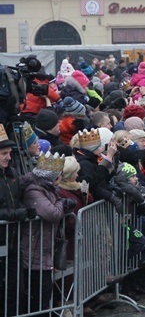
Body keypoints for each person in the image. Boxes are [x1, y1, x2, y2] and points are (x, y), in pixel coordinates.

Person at [21, 151, 76, 317]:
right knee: (38, 298)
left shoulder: (47, 189)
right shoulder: (34, 191)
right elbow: (52, 213)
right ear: (55, 178)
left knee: (45, 295)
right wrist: (61, 202)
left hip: (44, 248)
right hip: (34, 248)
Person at [0, 124, 36, 316]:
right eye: (4, 153)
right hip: (2, 240)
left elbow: (18, 197)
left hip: (13, 243)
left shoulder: (12, 173)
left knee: (15, 290)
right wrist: (17, 215)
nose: (8, 156)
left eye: (9, 152)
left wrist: (25, 210)